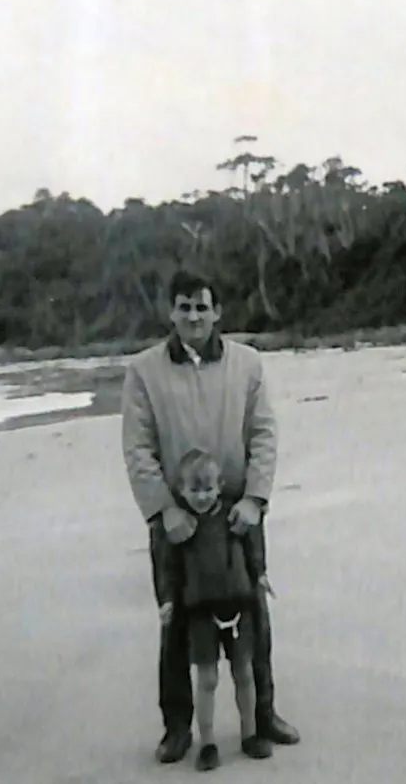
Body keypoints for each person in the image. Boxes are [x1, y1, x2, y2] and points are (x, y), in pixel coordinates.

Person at [122, 269, 300, 764]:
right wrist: (163, 509)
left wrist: (255, 500)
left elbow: (263, 434)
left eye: (202, 307)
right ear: (171, 312)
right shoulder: (143, 371)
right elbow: (138, 449)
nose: (194, 316)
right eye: (185, 307)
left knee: (254, 618)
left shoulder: (248, 364)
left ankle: (262, 715)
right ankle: (178, 727)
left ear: (217, 312)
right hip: (176, 520)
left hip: (238, 515)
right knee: (176, 623)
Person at [154, 448, 271, 771]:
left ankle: (250, 734)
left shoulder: (234, 517)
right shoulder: (182, 528)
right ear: (181, 490)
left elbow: (252, 548)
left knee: (244, 673)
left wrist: (260, 574)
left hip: (239, 608)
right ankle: (207, 743)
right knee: (206, 679)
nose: (202, 496)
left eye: (208, 489)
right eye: (194, 490)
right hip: (200, 614)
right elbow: (171, 570)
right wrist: (167, 600)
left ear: (220, 485)